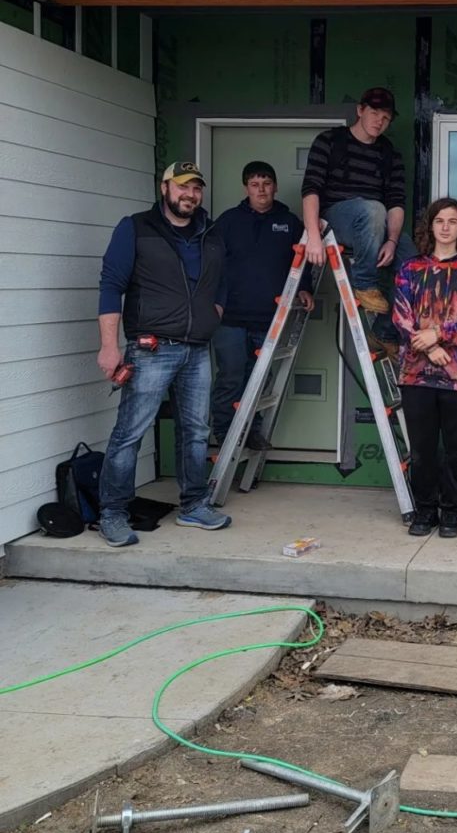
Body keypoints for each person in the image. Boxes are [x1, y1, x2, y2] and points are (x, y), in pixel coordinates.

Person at [95, 161, 230, 548]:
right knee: (130, 433)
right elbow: (110, 285)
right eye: (183, 187)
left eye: (197, 188)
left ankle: (193, 505)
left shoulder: (212, 232)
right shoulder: (136, 228)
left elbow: (223, 281)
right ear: (165, 188)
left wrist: (213, 313)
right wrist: (109, 345)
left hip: (197, 350)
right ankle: (113, 514)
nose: (190, 194)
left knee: (195, 432)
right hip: (151, 349)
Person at [392, 198, 457, 539]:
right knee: (421, 449)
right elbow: (401, 317)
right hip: (415, 374)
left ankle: (451, 510)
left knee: (456, 448)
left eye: (453, 221)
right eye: (440, 221)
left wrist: (438, 335)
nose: (446, 227)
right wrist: (430, 346)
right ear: (430, 226)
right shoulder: (410, 268)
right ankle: (424, 510)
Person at [210, 161, 314, 448]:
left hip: (271, 317)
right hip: (229, 318)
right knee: (230, 377)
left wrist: (305, 288)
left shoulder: (289, 222)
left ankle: (251, 432)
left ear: (275, 186)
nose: (261, 190)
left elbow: (304, 260)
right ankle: (223, 434)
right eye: (255, 184)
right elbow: (211, 265)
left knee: (260, 380)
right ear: (247, 188)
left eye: (266, 183)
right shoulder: (228, 222)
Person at [300, 87, 416, 320]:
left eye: (386, 118)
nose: (379, 121)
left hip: (375, 225)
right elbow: (311, 190)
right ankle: (364, 283)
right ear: (360, 110)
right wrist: (313, 236)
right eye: (374, 113)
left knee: (413, 263)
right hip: (336, 219)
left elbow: (396, 202)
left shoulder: (390, 154)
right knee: (372, 208)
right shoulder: (330, 141)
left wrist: (392, 241)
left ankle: (385, 333)